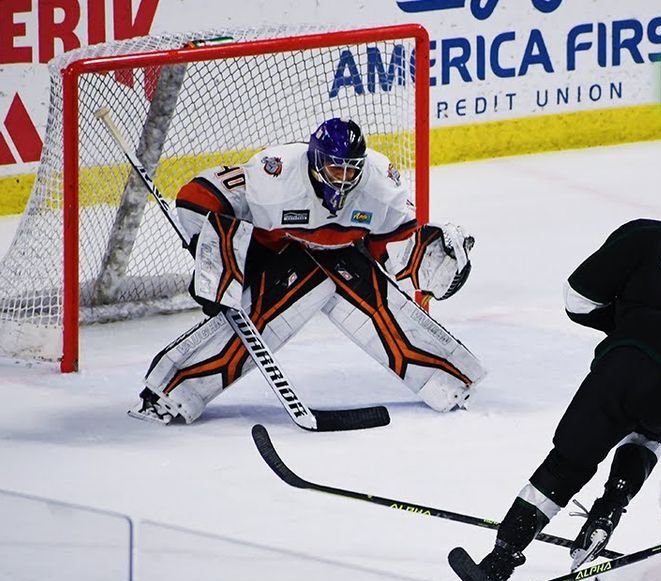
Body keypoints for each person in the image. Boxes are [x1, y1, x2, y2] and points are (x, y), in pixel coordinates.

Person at [460, 177, 661, 581]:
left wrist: (629, 324)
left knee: (569, 461)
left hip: (628, 370)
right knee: (652, 429)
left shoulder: (645, 233)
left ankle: (500, 560)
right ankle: (610, 508)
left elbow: (577, 300)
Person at [128, 117, 485, 424]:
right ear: (315, 162)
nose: (344, 178)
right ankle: (170, 393)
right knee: (254, 321)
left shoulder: (380, 182)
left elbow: (395, 247)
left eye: (351, 169)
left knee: (382, 307)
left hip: (344, 259)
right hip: (278, 257)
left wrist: (433, 256)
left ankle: (449, 383)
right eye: (335, 168)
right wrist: (216, 256)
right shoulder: (275, 173)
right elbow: (196, 196)